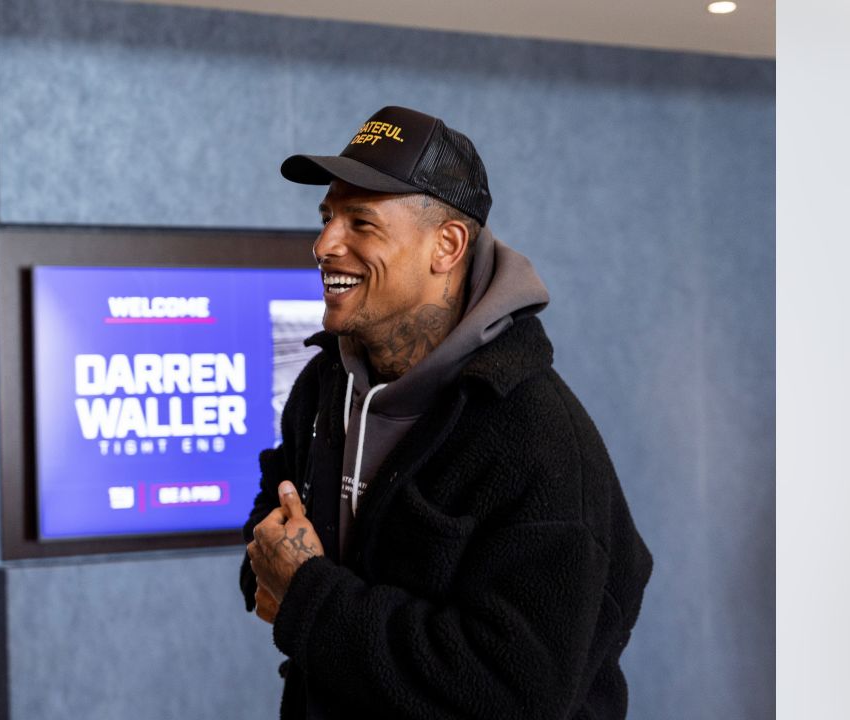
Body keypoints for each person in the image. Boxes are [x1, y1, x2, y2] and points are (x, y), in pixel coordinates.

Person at [240, 106, 653, 720]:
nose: (325, 243)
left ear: (447, 245)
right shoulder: (325, 384)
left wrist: (306, 593)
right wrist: (275, 571)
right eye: (327, 217)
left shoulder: (539, 439)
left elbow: (514, 691)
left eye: (361, 222)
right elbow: (271, 529)